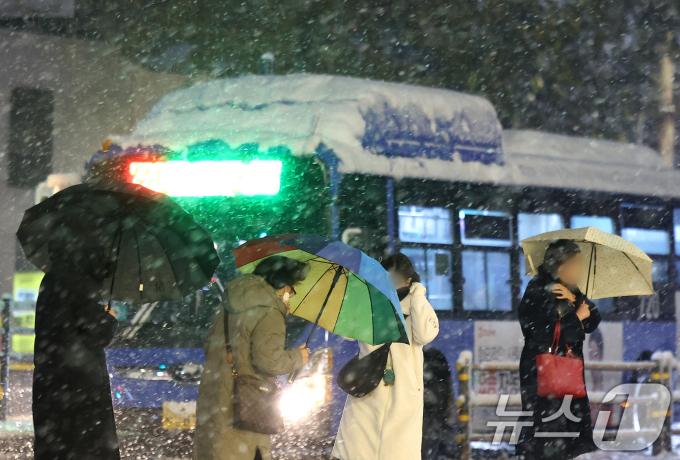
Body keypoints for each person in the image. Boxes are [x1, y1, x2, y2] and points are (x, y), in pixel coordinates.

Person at [194, 255, 310, 460]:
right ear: (281, 284)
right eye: (291, 290)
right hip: (246, 406)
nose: (290, 295)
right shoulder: (270, 312)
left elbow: (209, 346)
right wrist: (298, 357)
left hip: (215, 398)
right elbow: (269, 361)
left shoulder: (230, 303)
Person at [332, 253, 439, 460]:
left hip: (403, 396)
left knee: (396, 452)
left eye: (396, 278)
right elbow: (344, 330)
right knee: (358, 451)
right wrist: (357, 296)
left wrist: (418, 295)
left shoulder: (417, 306)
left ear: (409, 280)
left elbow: (426, 334)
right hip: (369, 388)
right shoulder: (370, 303)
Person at [33, 244, 120, 459]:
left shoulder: (51, 279)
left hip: (51, 383)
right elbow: (99, 332)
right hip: (79, 386)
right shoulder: (78, 282)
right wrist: (109, 318)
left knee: (56, 445)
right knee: (85, 445)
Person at [517, 239, 602, 459]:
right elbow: (541, 332)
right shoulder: (538, 290)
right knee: (547, 438)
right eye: (577, 264)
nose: (580, 270)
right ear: (561, 265)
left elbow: (593, 320)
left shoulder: (571, 290)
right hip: (544, 379)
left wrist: (575, 301)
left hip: (565, 377)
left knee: (565, 439)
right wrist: (577, 318)